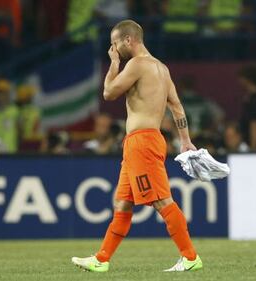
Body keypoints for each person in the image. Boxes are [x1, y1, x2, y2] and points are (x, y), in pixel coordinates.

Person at [72, 20, 202, 272]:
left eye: (115, 43)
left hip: (141, 142)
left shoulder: (137, 64)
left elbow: (109, 93)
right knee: (122, 203)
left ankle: (190, 257)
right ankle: (101, 260)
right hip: (145, 141)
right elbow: (176, 107)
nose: (114, 48)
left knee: (162, 201)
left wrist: (113, 64)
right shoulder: (161, 68)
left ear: (128, 40)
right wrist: (185, 139)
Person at [0, 78, 20, 153]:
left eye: (3, 92)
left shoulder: (15, 111)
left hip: (11, 152)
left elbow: (19, 132)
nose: (1, 95)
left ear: (8, 93)